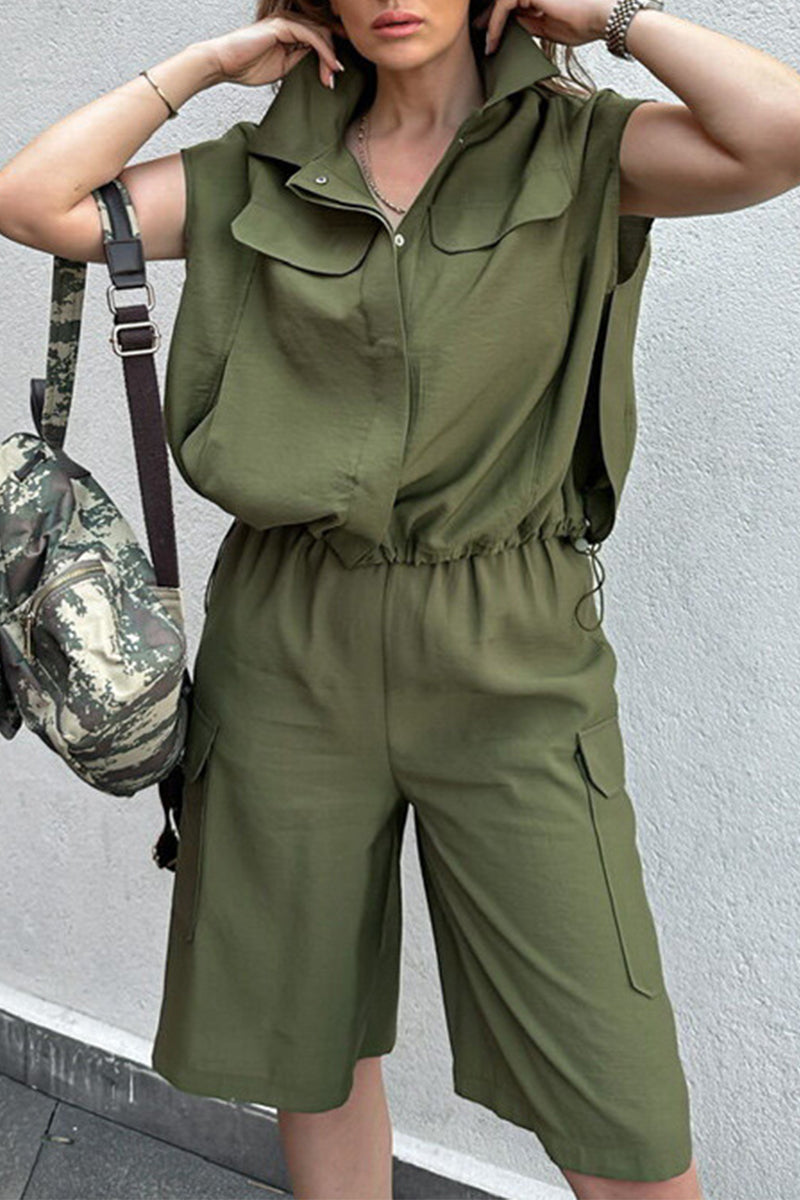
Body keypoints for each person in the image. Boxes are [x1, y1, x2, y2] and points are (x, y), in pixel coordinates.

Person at [1, 0, 799, 1196]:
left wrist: (614, 17)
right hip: (285, 643)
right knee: (308, 1047)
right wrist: (204, 65)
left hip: (509, 649)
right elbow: (33, 202)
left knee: (613, 1088)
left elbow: (778, 134)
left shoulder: (584, 152)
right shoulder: (250, 174)